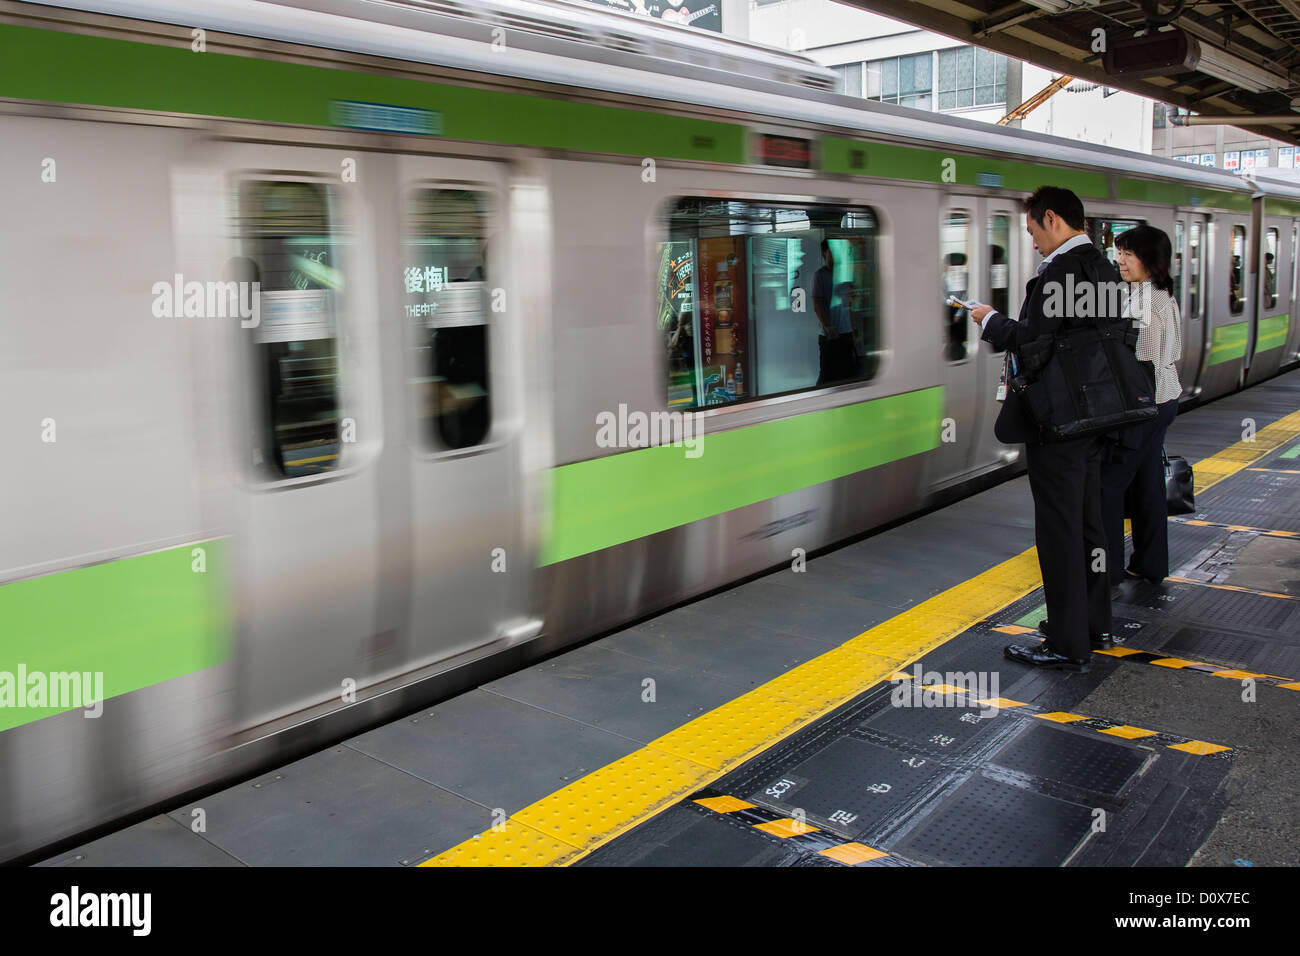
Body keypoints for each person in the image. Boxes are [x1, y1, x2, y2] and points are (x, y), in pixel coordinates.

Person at [967, 186, 1116, 670]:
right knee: (1091, 525)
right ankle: (1094, 624)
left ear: (1051, 219)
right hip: (1096, 416)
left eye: (1032, 230)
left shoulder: (1059, 272)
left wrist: (990, 321)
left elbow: (1033, 345)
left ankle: (1067, 643)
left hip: (1058, 421)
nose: (1031, 241)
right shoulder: (1103, 267)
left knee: (1059, 531)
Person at [1100, 225, 1182, 587]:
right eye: (1119, 253)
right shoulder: (1160, 294)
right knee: (1148, 485)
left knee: (1109, 486)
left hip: (1146, 404)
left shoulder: (1146, 302)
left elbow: (1142, 361)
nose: (1120, 260)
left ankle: (1108, 569)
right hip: (1164, 399)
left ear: (1149, 259)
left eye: (1128, 254)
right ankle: (1149, 563)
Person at [812, 239, 856, 385]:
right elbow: (817, 304)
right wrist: (828, 327)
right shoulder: (820, 275)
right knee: (826, 376)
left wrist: (853, 326)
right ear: (823, 254)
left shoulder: (845, 275)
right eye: (831, 253)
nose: (834, 256)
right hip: (829, 336)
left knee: (847, 375)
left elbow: (848, 304)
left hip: (846, 333)